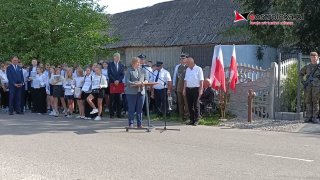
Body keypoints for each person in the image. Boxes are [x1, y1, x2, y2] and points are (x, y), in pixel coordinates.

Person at [124, 57, 147, 128]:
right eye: (138, 62)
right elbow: (127, 81)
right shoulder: (129, 70)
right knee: (131, 108)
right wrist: (135, 83)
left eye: (140, 62)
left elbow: (146, 80)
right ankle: (131, 123)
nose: (139, 64)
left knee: (139, 109)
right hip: (131, 92)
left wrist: (143, 82)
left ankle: (139, 124)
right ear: (133, 63)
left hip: (141, 92)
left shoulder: (143, 70)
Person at [300, 52, 320, 123]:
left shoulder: (319, 67)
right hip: (308, 86)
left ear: (317, 57)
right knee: (308, 101)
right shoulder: (307, 66)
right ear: (310, 58)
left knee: (315, 102)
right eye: (312, 57)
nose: (313, 59)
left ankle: (315, 117)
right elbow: (301, 74)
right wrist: (303, 82)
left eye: (315, 57)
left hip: (316, 87)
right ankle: (308, 117)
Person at [183, 57, 204, 126]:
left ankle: (197, 120)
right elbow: (185, 80)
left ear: (192, 62)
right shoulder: (187, 69)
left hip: (196, 89)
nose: (187, 65)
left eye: (187, 63)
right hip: (188, 89)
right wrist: (184, 89)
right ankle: (191, 119)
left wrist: (201, 90)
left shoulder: (198, 69)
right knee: (189, 105)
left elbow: (201, 80)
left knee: (196, 105)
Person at [108, 53, 125, 118]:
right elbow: (109, 74)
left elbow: (122, 75)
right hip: (112, 83)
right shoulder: (110, 65)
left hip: (119, 84)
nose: (118, 58)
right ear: (114, 57)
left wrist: (118, 80)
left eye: (119, 57)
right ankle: (111, 114)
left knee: (119, 100)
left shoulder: (121, 65)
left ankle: (119, 114)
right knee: (112, 100)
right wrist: (114, 80)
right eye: (117, 57)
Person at [173, 53, 189, 121]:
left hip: (186, 86)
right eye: (181, 59)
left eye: (183, 58)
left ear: (186, 59)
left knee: (186, 101)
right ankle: (181, 115)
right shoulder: (177, 66)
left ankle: (187, 115)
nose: (181, 60)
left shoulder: (189, 66)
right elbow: (175, 76)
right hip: (179, 85)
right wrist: (174, 85)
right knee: (180, 101)